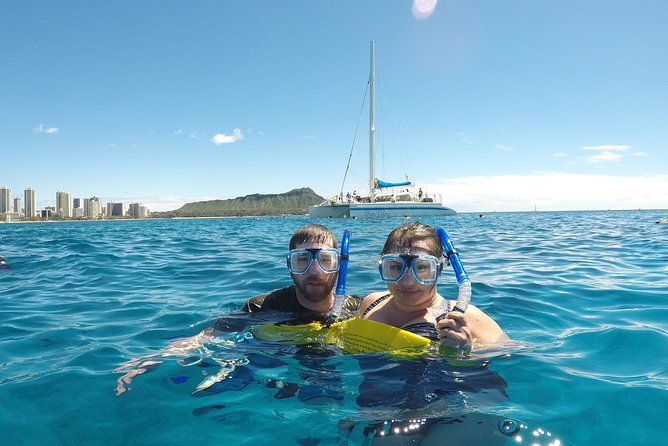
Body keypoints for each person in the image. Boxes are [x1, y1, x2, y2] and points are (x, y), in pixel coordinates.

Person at [115, 224, 360, 395]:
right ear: (289, 266)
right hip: (271, 368)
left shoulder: (359, 309)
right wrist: (149, 360)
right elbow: (207, 336)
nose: (314, 271)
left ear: (340, 266)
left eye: (326, 260)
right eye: (301, 260)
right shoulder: (262, 306)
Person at [357, 222, 508, 351]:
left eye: (422, 267)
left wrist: (466, 352)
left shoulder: (466, 318)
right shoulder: (371, 303)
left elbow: (512, 358)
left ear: (439, 270)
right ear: (382, 268)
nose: (408, 281)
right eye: (396, 267)